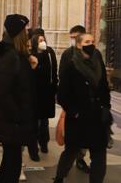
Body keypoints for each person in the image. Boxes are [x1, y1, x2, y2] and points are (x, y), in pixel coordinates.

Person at [53, 33, 112, 183]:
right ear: (79, 45)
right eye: (87, 41)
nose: (91, 44)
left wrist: (106, 107)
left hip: (97, 117)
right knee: (71, 151)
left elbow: (104, 87)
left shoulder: (98, 62)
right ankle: (59, 177)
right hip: (78, 119)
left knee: (99, 154)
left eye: (92, 41)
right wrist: (74, 112)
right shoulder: (71, 65)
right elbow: (62, 95)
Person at [0, 14, 38, 183]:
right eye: (24, 29)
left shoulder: (14, 54)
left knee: (12, 162)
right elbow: (3, 91)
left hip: (12, 118)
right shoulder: (10, 56)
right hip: (11, 120)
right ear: (18, 32)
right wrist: (17, 116)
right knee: (12, 164)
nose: (27, 32)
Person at [59, 25, 90, 173]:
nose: (72, 40)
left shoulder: (91, 54)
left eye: (75, 37)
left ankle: (81, 159)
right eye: (71, 37)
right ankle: (63, 171)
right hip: (72, 104)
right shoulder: (67, 54)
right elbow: (62, 78)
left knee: (85, 137)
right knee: (71, 139)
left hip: (88, 104)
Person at [27, 31, 57, 160]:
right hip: (34, 92)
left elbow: (53, 70)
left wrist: (55, 86)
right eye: (39, 40)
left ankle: (44, 142)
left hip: (46, 92)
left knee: (44, 121)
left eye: (43, 39)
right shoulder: (31, 54)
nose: (42, 42)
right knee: (33, 122)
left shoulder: (49, 53)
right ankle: (33, 150)